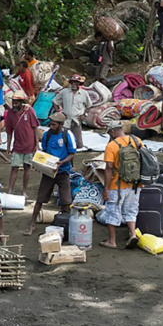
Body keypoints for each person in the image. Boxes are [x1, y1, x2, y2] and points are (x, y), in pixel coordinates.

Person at [23, 113, 76, 235]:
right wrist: (40, 164)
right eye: (50, 124)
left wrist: (62, 162)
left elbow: (72, 153)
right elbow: (44, 152)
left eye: (54, 124)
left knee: (66, 200)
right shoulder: (47, 135)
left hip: (63, 171)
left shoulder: (67, 135)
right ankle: (32, 223)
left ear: (61, 125)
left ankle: (65, 225)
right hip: (49, 172)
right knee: (40, 198)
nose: (51, 126)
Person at [96, 121, 143, 249]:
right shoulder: (136, 140)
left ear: (112, 132)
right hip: (135, 184)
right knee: (131, 210)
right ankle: (132, 234)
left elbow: (108, 169)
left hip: (117, 186)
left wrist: (106, 189)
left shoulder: (111, 146)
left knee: (112, 211)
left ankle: (112, 241)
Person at [5, 90, 39, 200]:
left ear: (21, 102)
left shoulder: (29, 111)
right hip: (17, 145)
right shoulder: (9, 113)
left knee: (27, 168)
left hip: (29, 145)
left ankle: (24, 191)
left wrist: (37, 145)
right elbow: (9, 131)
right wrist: (8, 146)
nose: (14, 104)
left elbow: (35, 128)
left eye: (16, 102)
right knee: (14, 168)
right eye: (13, 102)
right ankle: (10, 190)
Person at [52, 74, 92, 149]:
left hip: (77, 120)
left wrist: (84, 115)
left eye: (76, 82)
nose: (74, 84)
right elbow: (54, 101)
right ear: (70, 83)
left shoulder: (84, 93)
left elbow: (89, 105)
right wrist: (59, 113)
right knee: (64, 141)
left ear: (78, 83)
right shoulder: (64, 92)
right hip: (66, 120)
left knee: (79, 145)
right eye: (72, 82)